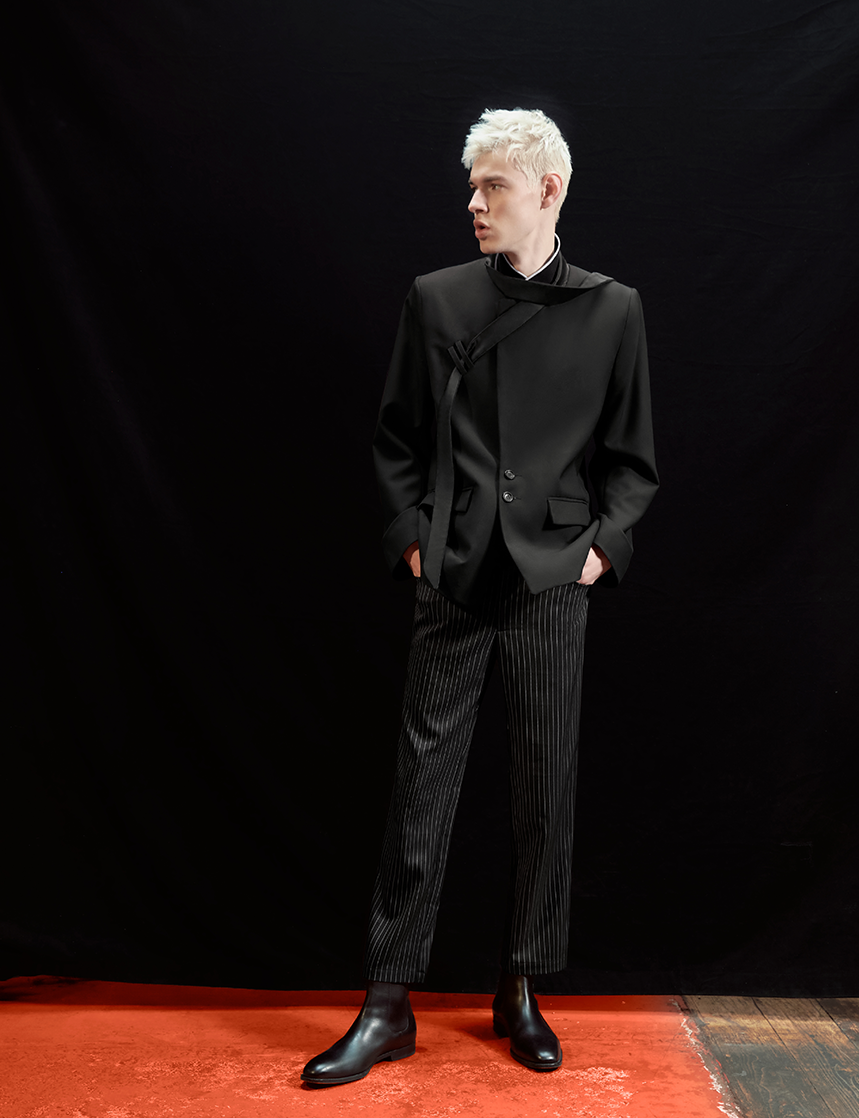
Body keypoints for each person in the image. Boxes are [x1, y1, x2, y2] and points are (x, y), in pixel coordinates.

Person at [301, 108, 659, 1087]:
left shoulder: (614, 310)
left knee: (545, 790)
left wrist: (601, 552)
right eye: (472, 186)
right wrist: (414, 542)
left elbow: (633, 462)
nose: (474, 202)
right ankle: (386, 1003)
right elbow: (396, 439)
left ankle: (522, 988)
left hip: (553, 580)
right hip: (454, 573)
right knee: (421, 787)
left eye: (492, 185)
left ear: (549, 190)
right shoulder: (438, 298)